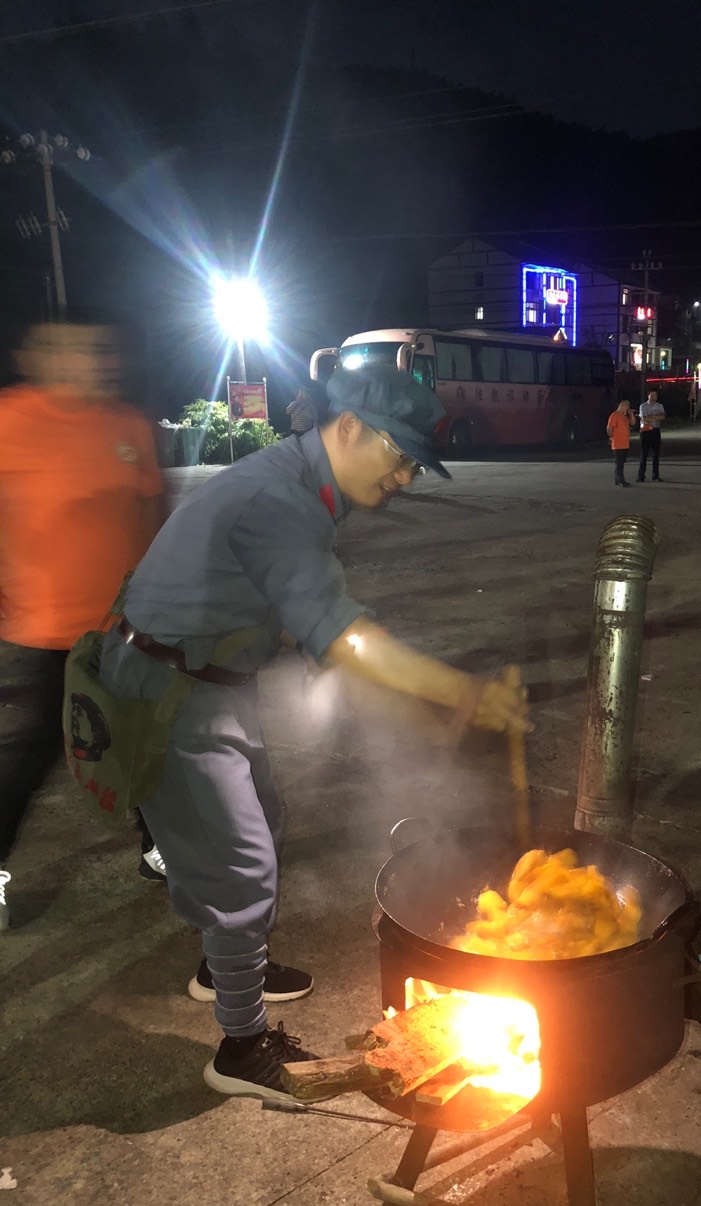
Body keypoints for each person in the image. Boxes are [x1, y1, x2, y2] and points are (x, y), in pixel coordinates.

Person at [93, 365, 531, 1101]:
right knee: (239, 863)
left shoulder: (305, 484)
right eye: (400, 457)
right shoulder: (280, 498)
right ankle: (242, 1049)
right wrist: (463, 693)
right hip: (168, 688)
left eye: (415, 466)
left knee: (260, 823)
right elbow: (343, 636)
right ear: (349, 427)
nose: (405, 479)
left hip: (209, 676)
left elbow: (306, 623)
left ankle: (224, 967)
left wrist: (414, 710)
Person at [0, 321, 165, 930]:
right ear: (35, 355)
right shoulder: (10, 421)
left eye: (98, 349)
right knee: (37, 755)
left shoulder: (129, 424)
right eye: (71, 348)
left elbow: (154, 511)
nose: (90, 360)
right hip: (48, 628)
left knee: (146, 739)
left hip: (127, 622)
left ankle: (158, 847)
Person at [636, 391, 666, 482]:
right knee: (644, 454)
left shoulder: (660, 406)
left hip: (656, 431)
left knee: (656, 454)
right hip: (645, 431)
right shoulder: (643, 406)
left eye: (655, 395)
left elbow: (663, 417)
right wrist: (656, 417)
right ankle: (641, 476)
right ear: (648, 395)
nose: (654, 396)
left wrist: (651, 417)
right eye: (652, 395)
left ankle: (655, 476)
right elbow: (644, 418)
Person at [607, 399, 635, 487]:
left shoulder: (624, 416)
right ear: (622, 406)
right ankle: (621, 480)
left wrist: (631, 415)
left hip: (625, 443)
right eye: (627, 406)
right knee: (619, 464)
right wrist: (612, 437)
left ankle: (617, 479)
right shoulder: (614, 415)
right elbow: (609, 428)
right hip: (618, 444)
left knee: (621, 462)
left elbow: (633, 423)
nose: (628, 408)